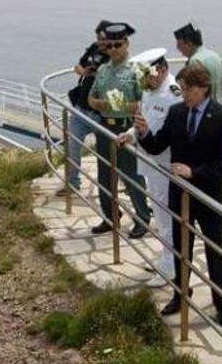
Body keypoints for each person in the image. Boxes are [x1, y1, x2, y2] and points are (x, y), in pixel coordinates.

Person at [129, 64, 222, 330]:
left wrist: (194, 172)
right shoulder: (176, 112)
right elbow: (157, 146)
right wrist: (143, 132)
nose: (183, 94)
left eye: (187, 89)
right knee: (181, 248)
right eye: (182, 89)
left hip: (208, 194)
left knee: (215, 251)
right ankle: (180, 294)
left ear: (202, 88)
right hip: (179, 192)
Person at [88, 22, 153, 238]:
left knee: (132, 176)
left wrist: (119, 105)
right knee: (105, 176)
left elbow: (147, 102)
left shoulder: (139, 69)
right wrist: (100, 104)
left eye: (118, 45)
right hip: (105, 125)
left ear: (126, 44)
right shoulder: (104, 69)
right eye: (110, 45)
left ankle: (142, 217)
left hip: (127, 126)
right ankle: (110, 217)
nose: (113, 49)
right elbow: (91, 97)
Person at [125, 48, 182, 281]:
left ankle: (171, 269)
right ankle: (166, 259)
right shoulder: (149, 92)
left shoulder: (173, 94)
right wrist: (130, 134)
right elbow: (145, 121)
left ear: (162, 69)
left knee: (168, 219)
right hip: (150, 162)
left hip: (166, 166)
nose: (144, 81)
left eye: (147, 76)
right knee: (161, 217)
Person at [58, 20, 113, 197]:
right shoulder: (93, 48)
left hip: (102, 114)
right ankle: (73, 183)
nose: (99, 41)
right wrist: (85, 72)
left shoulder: (115, 56)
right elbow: (79, 66)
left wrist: (94, 74)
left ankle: (112, 187)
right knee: (72, 147)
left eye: (102, 38)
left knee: (106, 156)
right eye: (97, 37)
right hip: (82, 108)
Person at [173, 23, 222, 102]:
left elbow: (192, 91)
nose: (178, 48)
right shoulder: (215, 56)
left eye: (179, 44)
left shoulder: (195, 61)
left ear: (189, 43)